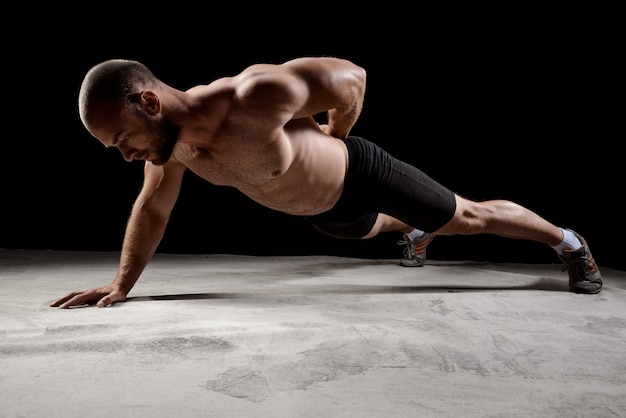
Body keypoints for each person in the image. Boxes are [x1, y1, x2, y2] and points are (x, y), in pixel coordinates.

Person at [50, 56, 602, 309]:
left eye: (123, 140)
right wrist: (123, 285)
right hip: (326, 214)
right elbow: (153, 210)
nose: (126, 156)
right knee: (376, 229)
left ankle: (568, 243)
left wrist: (336, 134)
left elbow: (352, 78)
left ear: (149, 102)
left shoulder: (251, 96)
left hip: (360, 173)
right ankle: (416, 232)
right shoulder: (171, 149)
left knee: (466, 218)